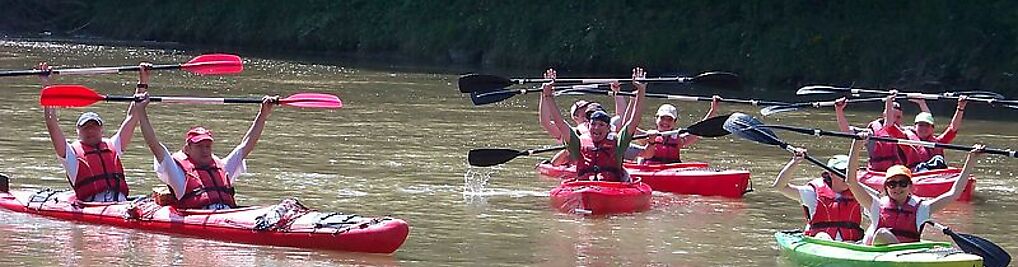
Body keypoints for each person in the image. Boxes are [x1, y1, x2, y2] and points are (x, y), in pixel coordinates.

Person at [135, 90, 278, 210]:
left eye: (208, 146)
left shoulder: (222, 167)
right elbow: (154, 145)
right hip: (199, 219)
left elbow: (246, 145)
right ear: (187, 149)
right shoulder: (178, 174)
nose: (205, 150)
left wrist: (263, 114)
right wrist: (141, 111)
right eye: (199, 146)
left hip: (228, 216)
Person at [845, 131, 983, 245]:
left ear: (910, 186)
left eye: (902, 183)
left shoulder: (921, 208)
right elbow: (851, 181)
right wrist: (856, 145)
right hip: (884, 257)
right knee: (882, 234)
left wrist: (971, 159)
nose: (897, 188)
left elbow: (954, 193)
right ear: (886, 187)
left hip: (910, 256)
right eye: (892, 184)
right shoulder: (875, 205)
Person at [41, 62, 149, 202]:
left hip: (121, 204)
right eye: (86, 127)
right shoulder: (71, 155)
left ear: (101, 129)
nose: (90, 130)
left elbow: (133, 116)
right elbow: (51, 124)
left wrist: (143, 81)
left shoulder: (112, 145)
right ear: (78, 131)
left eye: (94, 126)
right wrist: (47, 86)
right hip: (93, 207)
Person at [541, 67, 647, 182]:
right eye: (593, 124)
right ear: (588, 125)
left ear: (608, 128)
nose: (596, 127)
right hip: (585, 186)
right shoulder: (578, 142)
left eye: (601, 124)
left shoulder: (618, 142)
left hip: (612, 187)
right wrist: (547, 96)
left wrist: (641, 91)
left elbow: (633, 121)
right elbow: (559, 122)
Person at [771, 147, 863, 242]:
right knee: (822, 236)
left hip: (852, 243)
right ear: (831, 174)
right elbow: (780, 187)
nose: (847, 177)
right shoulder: (812, 193)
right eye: (843, 172)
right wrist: (795, 161)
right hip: (821, 242)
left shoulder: (861, 193)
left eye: (851, 172)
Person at [636, 96, 720, 164]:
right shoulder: (647, 137)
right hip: (650, 170)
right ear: (656, 119)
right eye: (662, 118)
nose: (665, 122)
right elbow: (628, 126)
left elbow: (701, 128)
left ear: (674, 122)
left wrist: (713, 110)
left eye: (669, 119)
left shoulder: (679, 139)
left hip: (672, 171)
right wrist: (633, 100)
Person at [898, 97, 968, 171]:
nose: (924, 128)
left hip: (936, 174)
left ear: (932, 129)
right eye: (921, 125)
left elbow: (953, 128)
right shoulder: (906, 141)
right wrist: (889, 103)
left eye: (927, 125)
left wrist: (960, 107)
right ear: (915, 127)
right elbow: (890, 126)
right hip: (918, 173)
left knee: (938, 159)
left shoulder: (938, 142)